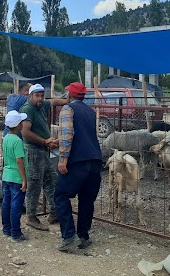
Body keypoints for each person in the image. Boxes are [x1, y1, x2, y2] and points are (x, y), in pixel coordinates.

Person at [55, 82, 103, 252]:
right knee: (86, 200)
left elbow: (67, 135)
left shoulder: (68, 109)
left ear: (70, 94)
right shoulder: (90, 111)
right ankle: (83, 236)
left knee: (61, 195)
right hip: (95, 160)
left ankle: (68, 237)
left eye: (66, 91)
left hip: (77, 161)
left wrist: (63, 159)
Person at [20, 83, 66, 231]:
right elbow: (25, 132)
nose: (40, 98)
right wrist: (45, 141)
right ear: (30, 96)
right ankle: (31, 217)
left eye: (41, 95)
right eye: (37, 96)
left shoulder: (41, 105)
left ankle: (53, 213)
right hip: (34, 150)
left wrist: (67, 101)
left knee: (51, 179)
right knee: (34, 184)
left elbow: (53, 102)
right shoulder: (28, 109)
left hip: (42, 150)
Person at [1, 110, 29, 243]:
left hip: (6, 175)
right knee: (16, 205)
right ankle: (16, 233)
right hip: (16, 177)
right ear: (18, 125)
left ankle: (6, 229)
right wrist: (24, 179)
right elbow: (19, 161)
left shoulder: (6, 138)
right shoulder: (17, 141)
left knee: (6, 203)